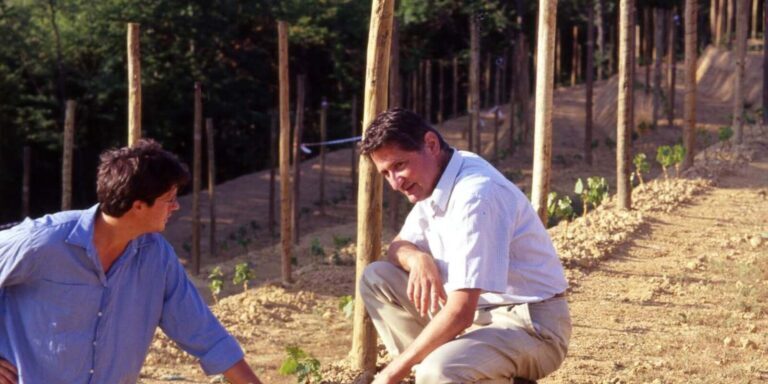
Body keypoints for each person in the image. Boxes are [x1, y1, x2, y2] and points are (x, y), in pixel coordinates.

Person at [0, 139, 261, 384]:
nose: (176, 207)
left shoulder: (157, 257)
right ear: (138, 206)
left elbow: (205, 334)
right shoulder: (42, 242)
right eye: (169, 200)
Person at [358, 109, 571, 384]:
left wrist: (391, 373)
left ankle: (459, 372)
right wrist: (418, 259)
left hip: (530, 326)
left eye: (399, 166)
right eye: (385, 173)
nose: (395, 182)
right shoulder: (438, 174)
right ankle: (458, 367)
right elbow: (398, 246)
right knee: (377, 278)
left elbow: (460, 312)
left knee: (438, 371)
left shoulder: (476, 195)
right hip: (479, 317)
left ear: (431, 145)